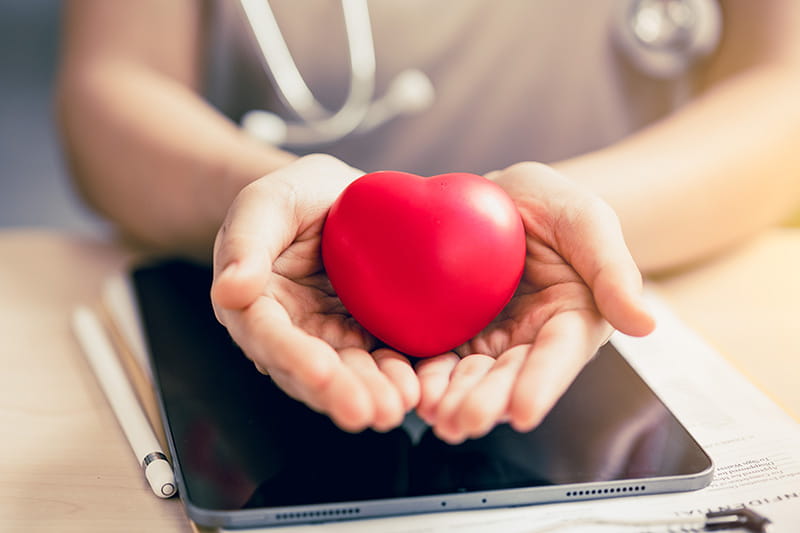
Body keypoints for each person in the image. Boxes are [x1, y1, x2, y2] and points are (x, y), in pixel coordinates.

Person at [56, 1, 800, 444]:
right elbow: (111, 85)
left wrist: (579, 223)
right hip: (268, 307)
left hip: (667, 296)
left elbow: (782, 86)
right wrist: (260, 195)